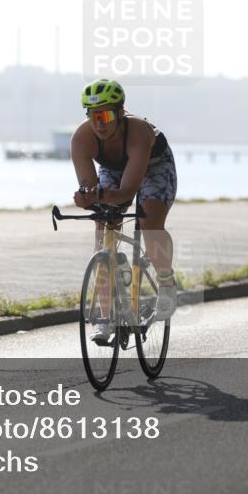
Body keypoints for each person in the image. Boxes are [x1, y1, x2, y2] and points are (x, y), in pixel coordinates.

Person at [70, 78, 178, 345]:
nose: (99, 123)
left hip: (155, 166)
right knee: (103, 224)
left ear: (120, 112)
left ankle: (166, 283)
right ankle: (105, 317)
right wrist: (87, 197)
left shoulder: (138, 131)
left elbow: (128, 191)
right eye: (93, 116)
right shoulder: (82, 138)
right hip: (115, 168)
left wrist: (107, 196)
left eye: (106, 115)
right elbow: (89, 186)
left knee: (149, 221)